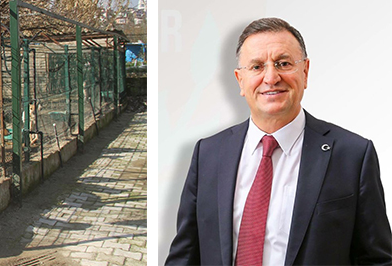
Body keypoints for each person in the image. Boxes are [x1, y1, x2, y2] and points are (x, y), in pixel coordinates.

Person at [166, 17, 392, 265]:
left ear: (305, 72)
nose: (271, 77)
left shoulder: (352, 155)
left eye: (283, 63)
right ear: (240, 80)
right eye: (256, 67)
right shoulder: (208, 154)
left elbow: (377, 259)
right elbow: (184, 255)